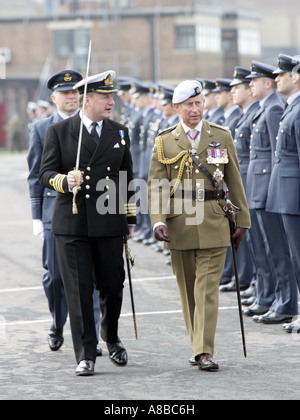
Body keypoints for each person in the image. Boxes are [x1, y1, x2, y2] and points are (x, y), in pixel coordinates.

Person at [147, 80, 251, 371]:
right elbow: (156, 185)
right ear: (177, 107)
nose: (195, 109)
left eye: (199, 103)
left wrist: (242, 220)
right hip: (179, 223)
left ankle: (204, 351)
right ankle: (198, 345)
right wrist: (157, 220)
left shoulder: (220, 136)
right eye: (189, 105)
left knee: (206, 289)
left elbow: (235, 180)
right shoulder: (164, 140)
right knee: (188, 289)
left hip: (215, 221)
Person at [39, 70, 136, 376]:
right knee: (79, 290)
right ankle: (85, 353)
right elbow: (44, 174)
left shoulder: (119, 132)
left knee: (112, 285)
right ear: (88, 99)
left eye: (112, 97)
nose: (111, 102)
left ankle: (111, 336)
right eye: (106, 97)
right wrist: (64, 181)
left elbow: (127, 178)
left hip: (109, 221)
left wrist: (130, 217)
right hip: (73, 221)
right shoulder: (61, 131)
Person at [27, 70, 102, 354]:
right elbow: (35, 174)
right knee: (56, 276)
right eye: (66, 93)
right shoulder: (41, 128)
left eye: (75, 92)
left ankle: (91, 336)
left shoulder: (93, 124)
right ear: (54, 97)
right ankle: (58, 323)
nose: (72, 97)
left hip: (91, 209)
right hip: (54, 211)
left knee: (91, 277)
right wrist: (36, 215)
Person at [245, 61, 298, 324]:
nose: (249, 85)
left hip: (271, 187)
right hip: (264, 186)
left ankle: (285, 301)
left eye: (254, 81)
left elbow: (279, 154)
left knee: (279, 250)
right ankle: (277, 298)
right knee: (268, 248)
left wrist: (274, 189)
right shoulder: (272, 107)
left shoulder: (276, 108)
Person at [265, 54, 300, 332]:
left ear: (296, 75)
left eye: (282, 74)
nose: (276, 78)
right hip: (287, 195)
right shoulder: (292, 107)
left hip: (295, 196)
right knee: (295, 256)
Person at [219, 67, 259, 294]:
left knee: (260, 241)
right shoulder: (243, 115)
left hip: (253, 182)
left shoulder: (265, 111)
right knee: (251, 240)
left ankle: (251, 281)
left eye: (237, 87)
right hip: (243, 180)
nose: (232, 92)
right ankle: (254, 284)